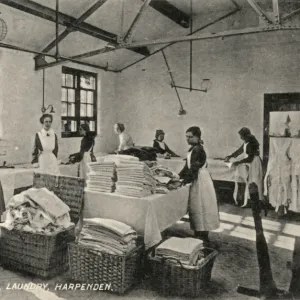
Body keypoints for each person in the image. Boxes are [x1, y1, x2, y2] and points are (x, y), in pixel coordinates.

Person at [179, 126, 220, 243]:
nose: (187, 139)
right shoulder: (193, 148)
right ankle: (198, 233)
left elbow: (194, 169)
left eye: (190, 137)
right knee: (197, 206)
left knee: (202, 205)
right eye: (186, 137)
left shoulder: (198, 149)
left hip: (201, 180)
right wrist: (177, 176)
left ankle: (202, 236)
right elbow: (187, 167)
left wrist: (183, 181)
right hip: (197, 178)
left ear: (197, 137)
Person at [225, 127, 263, 207]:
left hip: (254, 163)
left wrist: (238, 162)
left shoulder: (251, 143)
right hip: (250, 162)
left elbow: (249, 158)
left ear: (245, 136)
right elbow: (240, 150)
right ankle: (250, 201)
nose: (240, 137)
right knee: (250, 181)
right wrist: (230, 156)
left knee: (253, 181)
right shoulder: (247, 142)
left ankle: (255, 202)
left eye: (241, 136)